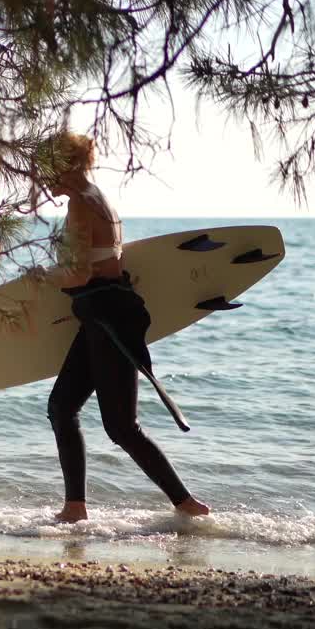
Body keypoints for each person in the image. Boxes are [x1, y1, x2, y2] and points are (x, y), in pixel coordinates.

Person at [34, 132, 211, 523]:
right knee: (62, 407)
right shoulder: (99, 198)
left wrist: (43, 278)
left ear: (65, 164)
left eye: (45, 166)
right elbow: (104, 262)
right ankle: (75, 508)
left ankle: (188, 505)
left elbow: (79, 275)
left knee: (121, 427)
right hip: (103, 313)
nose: (40, 176)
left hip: (107, 316)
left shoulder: (80, 205)